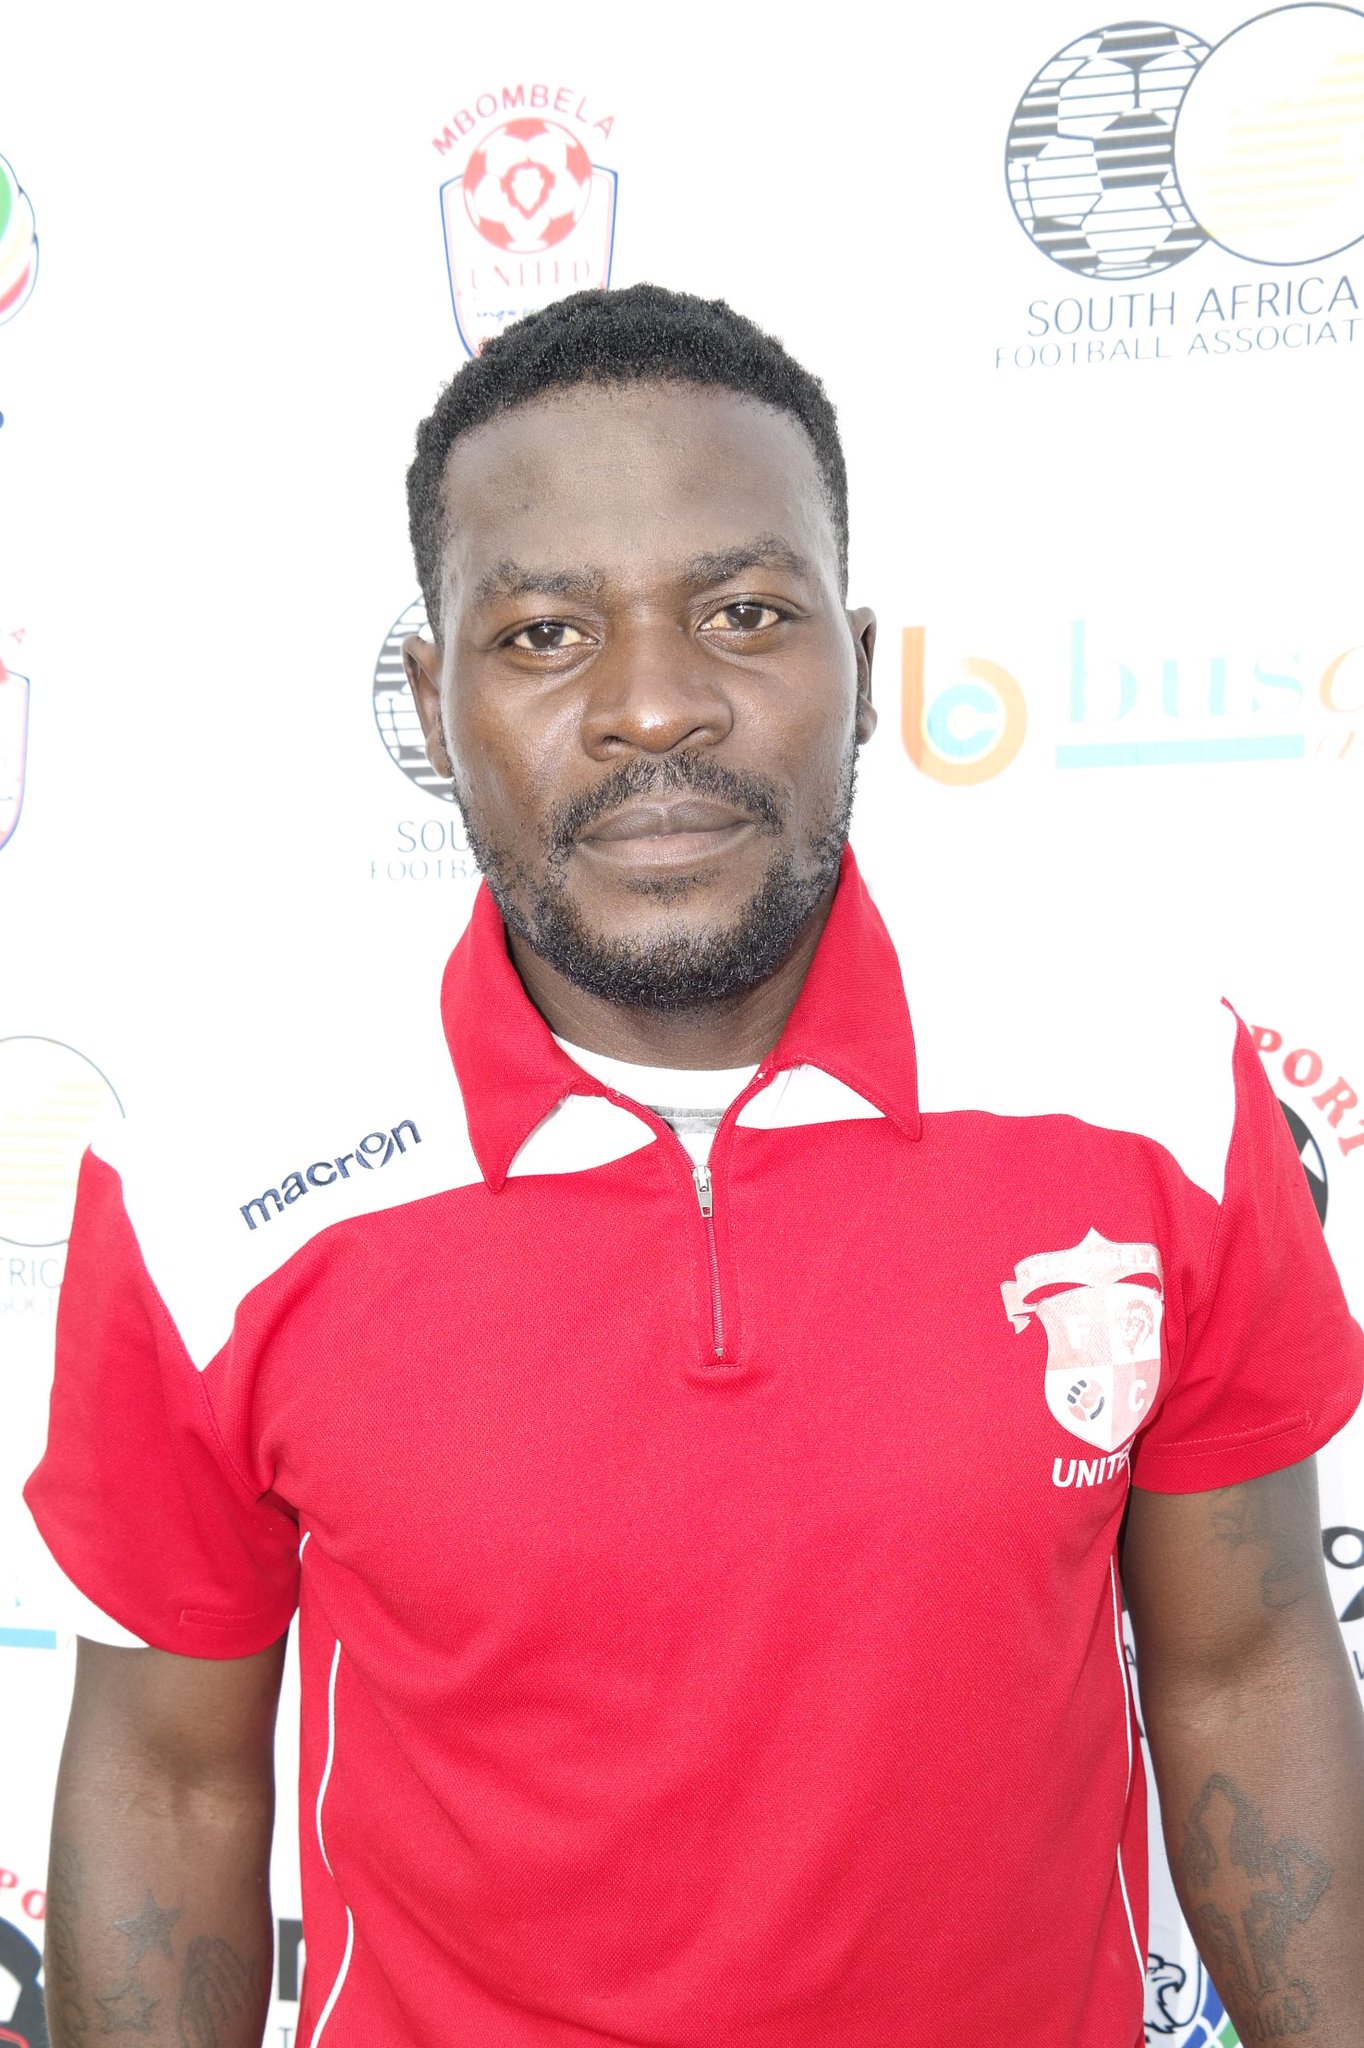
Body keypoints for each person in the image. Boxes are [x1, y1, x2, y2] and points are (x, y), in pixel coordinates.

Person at [26, 283, 1364, 2048]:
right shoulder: (219, 1185)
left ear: (863, 669)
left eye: (743, 613)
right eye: (543, 635)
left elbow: (1245, 1671)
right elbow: (171, 1783)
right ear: (430, 702)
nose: (655, 707)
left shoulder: (1145, 1093)